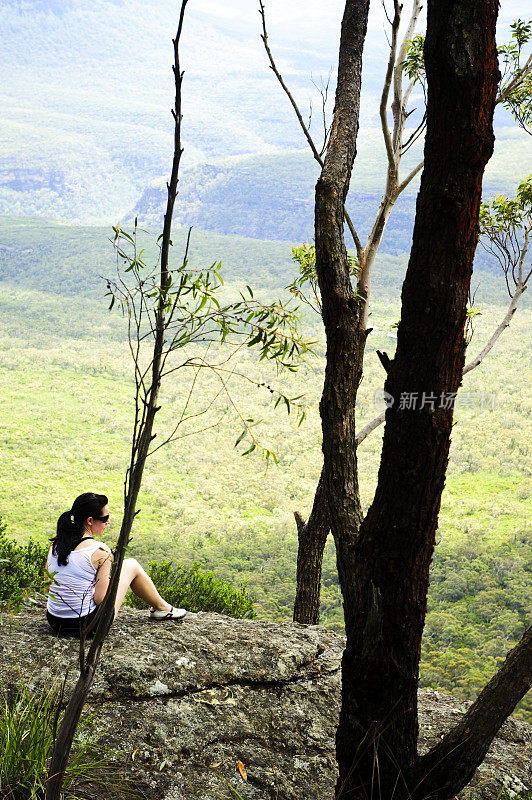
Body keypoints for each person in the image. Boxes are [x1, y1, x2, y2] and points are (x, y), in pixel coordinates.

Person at [46, 492, 186, 637]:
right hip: (87, 626)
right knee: (131, 564)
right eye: (105, 518)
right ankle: (163, 609)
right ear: (89, 520)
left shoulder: (56, 545)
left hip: (55, 622)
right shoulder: (100, 551)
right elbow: (101, 599)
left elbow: (48, 585)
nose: (108, 522)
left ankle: (162, 608)